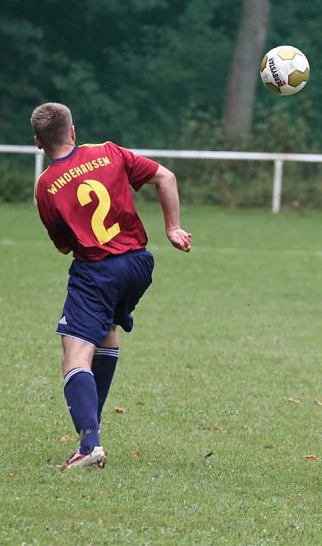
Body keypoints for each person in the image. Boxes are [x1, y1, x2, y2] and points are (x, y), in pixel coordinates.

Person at [31, 102, 192, 471]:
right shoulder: (108, 152)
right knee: (106, 334)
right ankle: (92, 428)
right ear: (74, 132)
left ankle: (89, 446)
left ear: (38, 143)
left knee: (74, 354)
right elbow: (165, 177)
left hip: (97, 271)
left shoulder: (46, 186)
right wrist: (172, 228)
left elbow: (62, 246)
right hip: (137, 264)